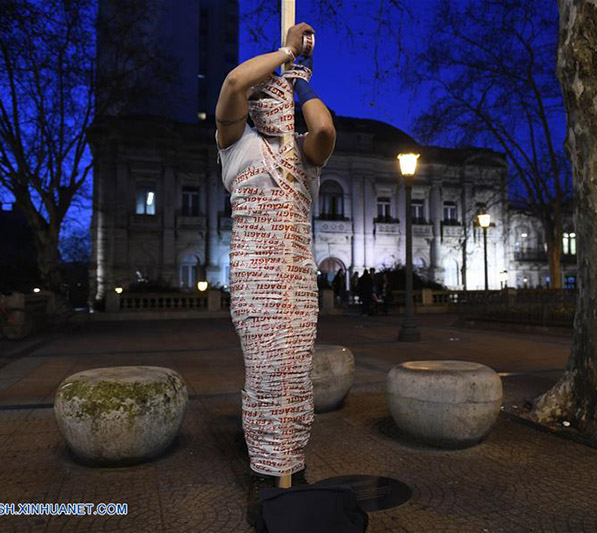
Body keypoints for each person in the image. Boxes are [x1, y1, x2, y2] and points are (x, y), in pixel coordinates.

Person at [215, 22, 336, 522]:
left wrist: (300, 78)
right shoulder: (234, 145)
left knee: (295, 377)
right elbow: (232, 84)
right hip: (256, 282)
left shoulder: (304, 157)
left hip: (298, 280)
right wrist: (284, 51)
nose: (268, 102)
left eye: (277, 97)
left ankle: (293, 466)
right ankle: (266, 469)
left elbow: (325, 129)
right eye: (264, 96)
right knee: (267, 375)